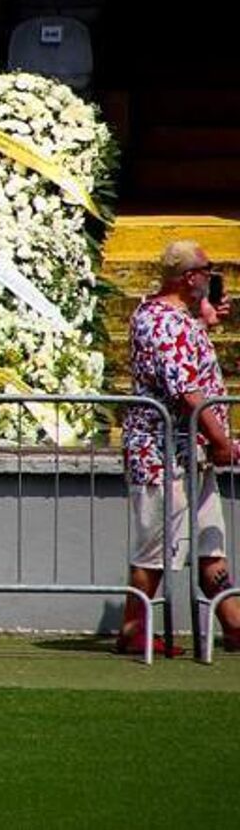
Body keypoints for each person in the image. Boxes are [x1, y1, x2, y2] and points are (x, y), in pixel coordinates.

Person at [121, 240, 240, 656]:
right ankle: (133, 628)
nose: (212, 276)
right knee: (155, 544)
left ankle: (233, 624)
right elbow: (188, 391)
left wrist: (202, 319)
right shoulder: (165, 324)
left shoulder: (167, 316)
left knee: (210, 538)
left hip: (191, 451)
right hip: (162, 451)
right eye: (207, 269)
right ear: (191, 277)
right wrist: (223, 440)